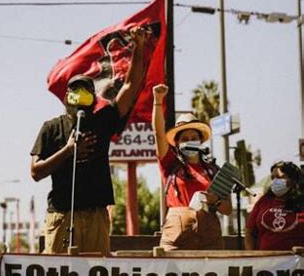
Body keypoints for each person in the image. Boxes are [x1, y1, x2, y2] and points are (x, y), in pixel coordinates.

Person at [30, 27, 150, 255]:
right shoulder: (51, 128)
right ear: (66, 97)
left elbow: (130, 86)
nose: (80, 96)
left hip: (95, 214)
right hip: (62, 214)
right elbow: (35, 172)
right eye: (75, 91)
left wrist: (139, 47)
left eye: (86, 91)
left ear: (94, 99)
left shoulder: (103, 121)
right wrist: (68, 150)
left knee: (97, 268)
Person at [152, 84, 232, 251]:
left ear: (201, 141)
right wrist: (157, 101)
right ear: (177, 142)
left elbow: (227, 209)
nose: (189, 140)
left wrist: (214, 201)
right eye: (185, 138)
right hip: (177, 231)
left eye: (194, 137)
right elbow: (159, 133)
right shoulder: (170, 164)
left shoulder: (213, 169)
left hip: (209, 233)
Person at [245, 161, 304, 251]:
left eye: (280, 177)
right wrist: (251, 256)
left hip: (296, 262)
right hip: (266, 261)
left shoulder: (301, 202)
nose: (275, 181)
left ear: (293, 180)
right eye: (273, 178)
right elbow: (250, 232)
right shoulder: (264, 201)